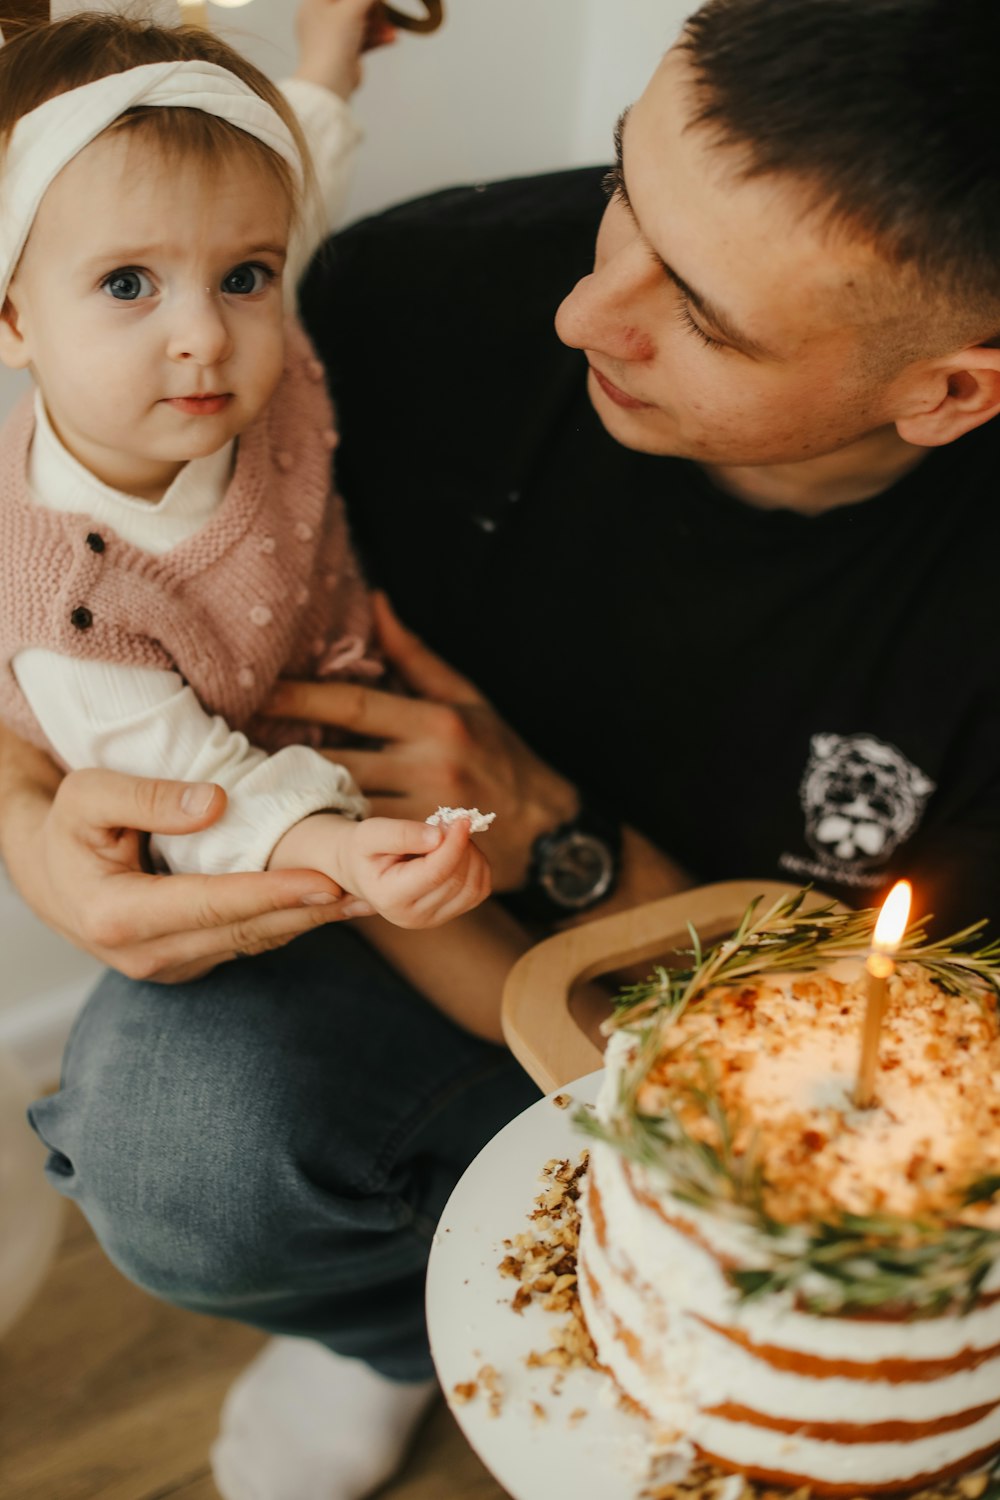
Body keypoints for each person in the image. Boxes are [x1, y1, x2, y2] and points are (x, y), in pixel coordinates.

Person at [5, 0, 1000, 1495]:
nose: (581, 311)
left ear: (953, 390)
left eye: (706, 315)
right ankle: (401, 1338)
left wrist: (560, 836)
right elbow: (84, 585)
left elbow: (912, 1067)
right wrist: (23, 802)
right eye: (621, 191)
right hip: (381, 934)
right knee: (178, 1135)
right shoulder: (417, 294)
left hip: (773, 1098)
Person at [0, 1, 549, 1049]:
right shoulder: (57, 599)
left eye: (243, 275)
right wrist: (343, 853)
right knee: (482, 970)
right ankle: (601, 1085)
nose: (204, 334)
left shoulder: (251, 328)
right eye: (128, 284)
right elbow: (200, 789)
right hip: (235, 795)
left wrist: (326, 65)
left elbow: (305, 183)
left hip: (347, 681)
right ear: (14, 317)